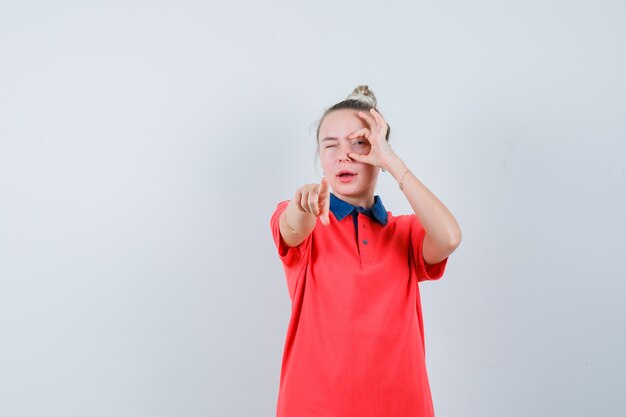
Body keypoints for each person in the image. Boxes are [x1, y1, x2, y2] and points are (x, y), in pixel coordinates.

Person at [269, 85, 462, 417]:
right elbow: (292, 226)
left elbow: (448, 238)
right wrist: (303, 205)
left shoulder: (406, 232)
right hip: (314, 406)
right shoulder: (309, 223)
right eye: (330, 146)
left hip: (403, 406)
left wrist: (392, 161)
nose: (344, 155)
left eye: (359, 143)